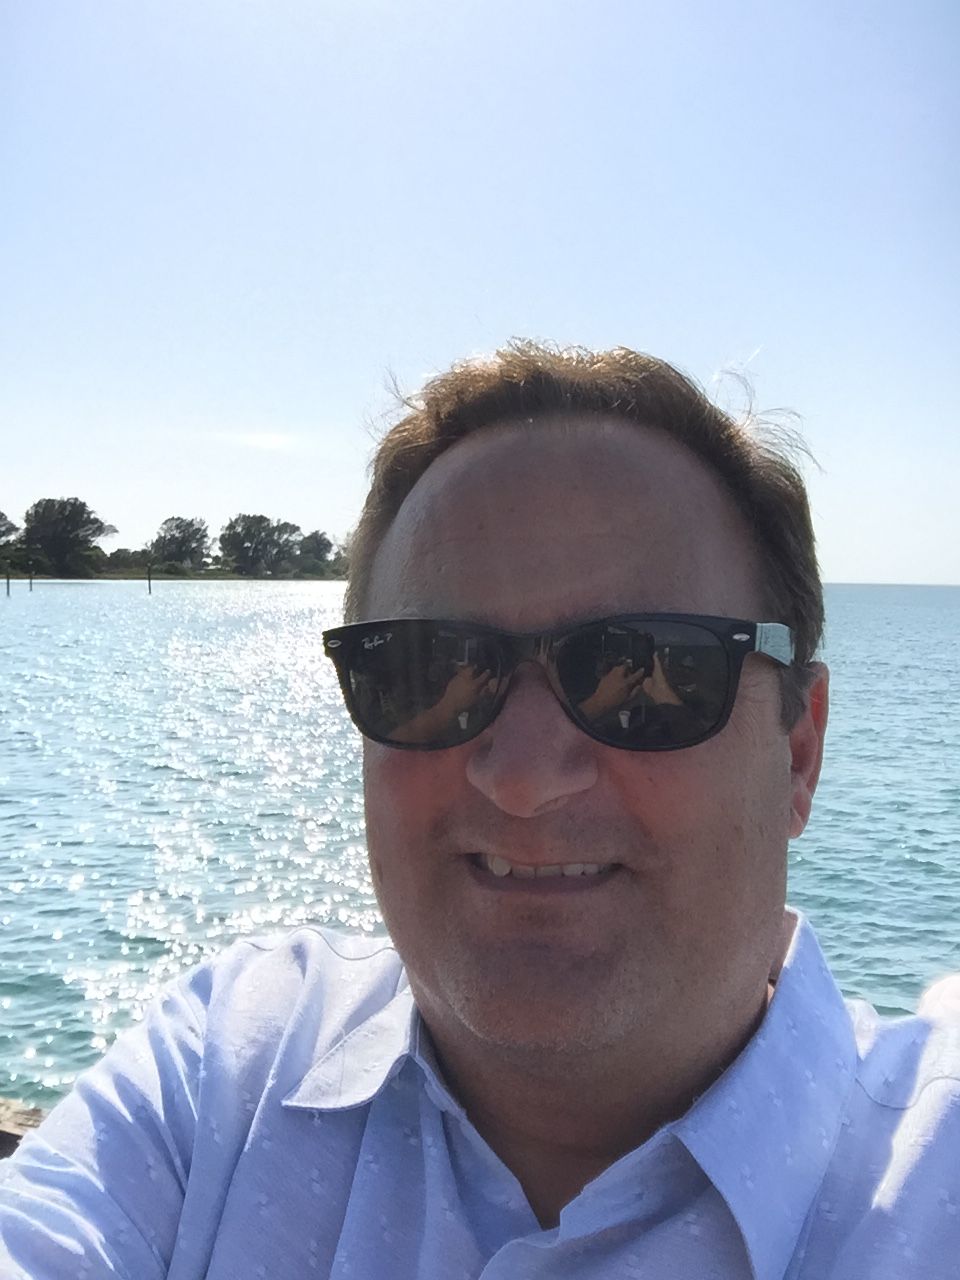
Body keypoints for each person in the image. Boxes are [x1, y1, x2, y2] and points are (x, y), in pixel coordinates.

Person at [1, 343, 957, 1278]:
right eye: (427, 672)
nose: (524, 776)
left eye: (653, 674)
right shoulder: (226, 1067)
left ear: (799, 751)